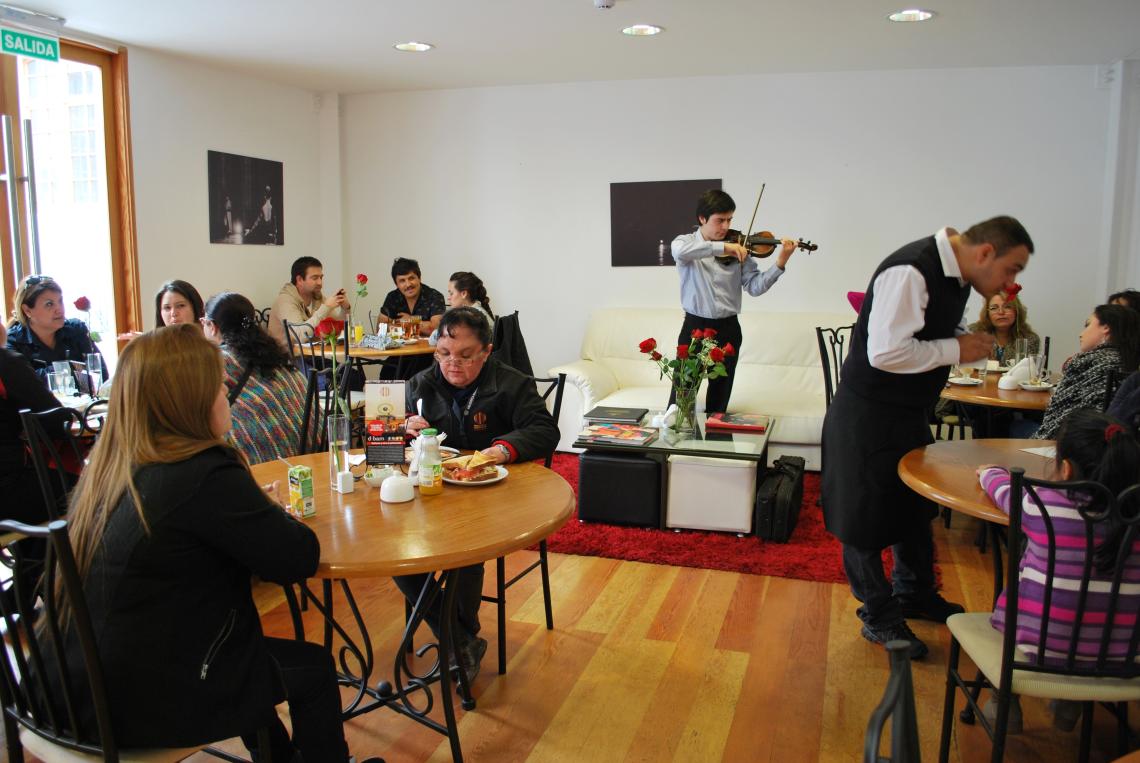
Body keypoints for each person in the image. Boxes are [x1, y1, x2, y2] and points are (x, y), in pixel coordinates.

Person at [52, 324, 381, 762]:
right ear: (191, 400)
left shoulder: (110, 468)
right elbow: (297, 557)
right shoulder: (203, 472)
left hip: (67, 689)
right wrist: (265, 514)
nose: (228, 393)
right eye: (219, 386)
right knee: (313, 668)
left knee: (243, 655)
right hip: (138, 703)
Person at [822, 216, 1034, 660]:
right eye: (1012, 269)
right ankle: (879, 615)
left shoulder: (955, 276)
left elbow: (921, 333)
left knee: (914, 504)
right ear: (985, 254)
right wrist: (958, 349)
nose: (1010, 283)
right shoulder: (911, 270)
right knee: (862, 517)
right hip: (867, 412)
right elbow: (886, 352)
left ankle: (914, 593)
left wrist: (960, 338)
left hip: (906, 411)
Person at [398, 307, 559, 680]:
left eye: (465, 356)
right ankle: (461, 641)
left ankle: (458, 639)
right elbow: (391, 429)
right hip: (435, 493)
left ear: (486, 351)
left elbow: (545, 430)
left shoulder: (511, 383)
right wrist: (405, 426)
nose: (452, 364)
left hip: (495, 494)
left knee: (466, 547)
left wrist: (499, 450)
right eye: (443, 353)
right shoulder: (421, 384)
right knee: (393, 548)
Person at [978, 410, 1140, 732]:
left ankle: (1003, 704)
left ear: (1066, 469)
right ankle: (1070, 705)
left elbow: (1003, 489)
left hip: (1042, 647)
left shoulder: (1042, 505)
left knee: (1019, 594)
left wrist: (989, 472)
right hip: (1124, 657)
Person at [670, 189, 797, 413]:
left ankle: (715, 444)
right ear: (702, 219)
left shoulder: (741, 248)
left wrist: (780, 263)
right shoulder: (686, 243)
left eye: (729, 220)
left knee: (719, 401)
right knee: (682, 398)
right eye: (720, 220)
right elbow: (680, 251)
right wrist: (723, 247)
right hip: (695, 329)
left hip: (728, 328)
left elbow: (755, 287)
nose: (726, 227)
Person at [201, 292, 307, 464]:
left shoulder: (218, 362)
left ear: (212, 326)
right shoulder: (272, 352)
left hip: (263, 461)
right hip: (310, 450)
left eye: (203, 323)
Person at [1025, 303, 1140, 440]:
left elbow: (1057, 418)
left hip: (1067, 446)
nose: (1081, 333)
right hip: (1107, 448)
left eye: (1088, 325)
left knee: (1016, 425)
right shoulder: (1130, 364)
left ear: (1106, 328)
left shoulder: (1086, 362)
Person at [0, 319, 65, 525]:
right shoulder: (5, 364)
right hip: (8, 490)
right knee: (93, 490)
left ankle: (36, 555)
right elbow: (56, 418)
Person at [5, 274, 105, 380]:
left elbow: (101, 374)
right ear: (27, 310)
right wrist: (69, 368)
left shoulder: (76, 330)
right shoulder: (12, 342)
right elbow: (25, 384)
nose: (60, 309)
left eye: (60, 301)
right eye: (49, 304)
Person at [267, 256, 351, 350]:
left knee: (345, 365)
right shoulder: (285, 301)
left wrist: (345, 308)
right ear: (299, 280)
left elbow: (336, 327)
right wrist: (326, 307)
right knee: (340, 365)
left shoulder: (317, 297)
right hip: (288, 359)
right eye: (315, 278)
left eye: (321, 277)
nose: (320, 282)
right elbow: (301, 336)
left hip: (312, 356)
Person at [967, 291, 1040, 365]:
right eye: (994, 308)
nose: (1001, 312)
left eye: (1007, 306)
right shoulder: (973, 333)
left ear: (1017, 311)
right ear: (987, 314)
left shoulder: (1029, 339)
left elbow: (1026, 371)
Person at [379, 258, 446, 337]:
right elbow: (381, 328)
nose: (408, 284)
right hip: (399, 348)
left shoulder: (435, 296)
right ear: (396, 284)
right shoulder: (392, 297)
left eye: (411, 278)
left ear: (419, 278)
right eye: (402, 281)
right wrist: (420, 325)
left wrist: (411, 320)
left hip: (428, 349)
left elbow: (436, 329)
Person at [430, 271, 494, 344]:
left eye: (451, 293)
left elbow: (434, 340)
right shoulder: (477, 311)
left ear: (464, 294)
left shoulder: (470, 316)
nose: (448, 298)